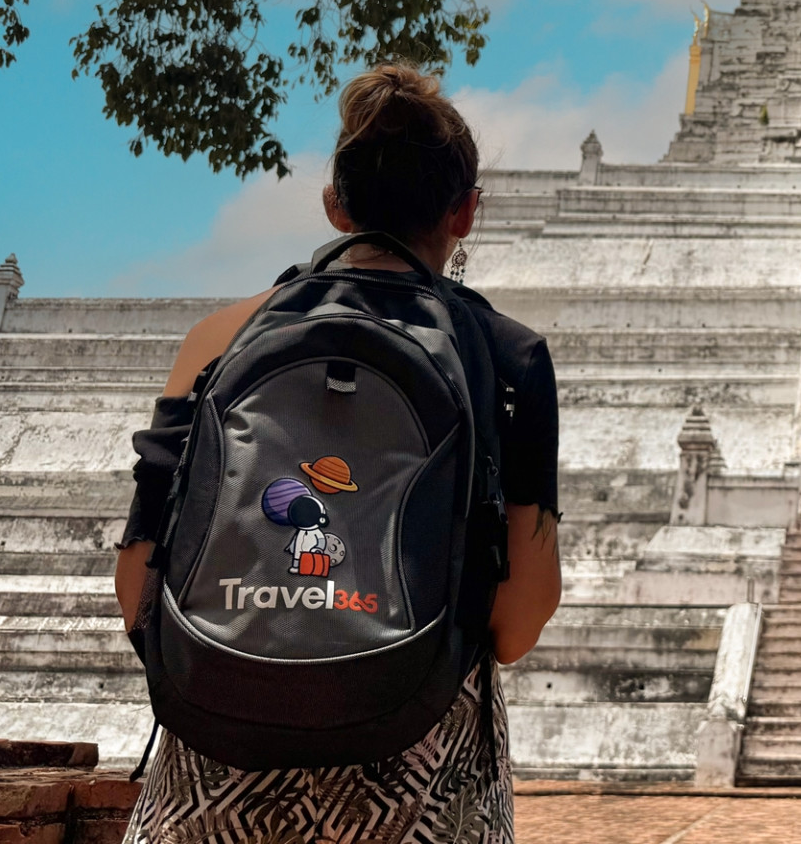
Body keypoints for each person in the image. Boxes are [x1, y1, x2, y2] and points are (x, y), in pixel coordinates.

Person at [115, 63, 562, 843]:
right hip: (417, 777)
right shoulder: (507, 359)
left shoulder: (217, 341)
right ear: (465, 213)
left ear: (335, 204)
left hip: (217, 770)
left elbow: (137, 591)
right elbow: (517, 624)